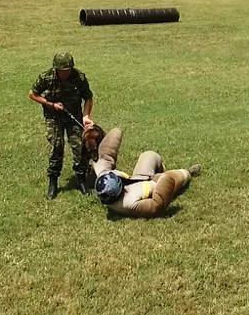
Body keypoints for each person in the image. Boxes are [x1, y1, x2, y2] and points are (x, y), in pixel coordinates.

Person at [92, 127, 201, 217]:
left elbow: (105, 155)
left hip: (139, 178)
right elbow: (155, 206)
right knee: (175, 176)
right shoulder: (129, 204)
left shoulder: (103, 176)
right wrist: (165, 184)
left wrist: (112, 132)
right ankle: (188, 173)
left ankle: (162, 173)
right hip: (153, 188)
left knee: (149, 155)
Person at [29, 52, 94, 199]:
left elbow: (88, 97)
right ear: (56, 69)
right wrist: (50, 104)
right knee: (57, 145)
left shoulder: (79, 77)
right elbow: (32, 94)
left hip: (74, 115)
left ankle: (81, 178)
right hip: (53, 116)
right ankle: (53, 182)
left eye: (68, 70)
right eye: (62, 71)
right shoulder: (45, 77)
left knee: (80, 147)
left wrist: (86, 116)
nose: (66, 73)